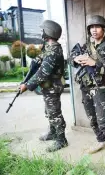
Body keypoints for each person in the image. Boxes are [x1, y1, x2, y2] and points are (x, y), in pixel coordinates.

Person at [68, 15, 105, 168]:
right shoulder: (84, 47)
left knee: (103, 120)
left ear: (104, 29)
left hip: (99, 88)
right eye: (91, 27)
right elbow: (70, 59)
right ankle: (100, 141)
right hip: (85, 88)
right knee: (93, 119)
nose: (94, 30)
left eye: (97, 27)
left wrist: (94, 63)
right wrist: (75, 59)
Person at [19, 20, 68, 152]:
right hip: (49, 86)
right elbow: (38, 61)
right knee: (49, 111)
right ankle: (52, 132)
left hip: (53, 86)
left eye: (43, 30)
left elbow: (43, 72)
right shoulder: (49, 47)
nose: (42, 33)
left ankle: (61, 139)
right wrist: (27, 76)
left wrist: (27, 86)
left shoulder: (53, 51)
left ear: (48, 32)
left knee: (55, 113)